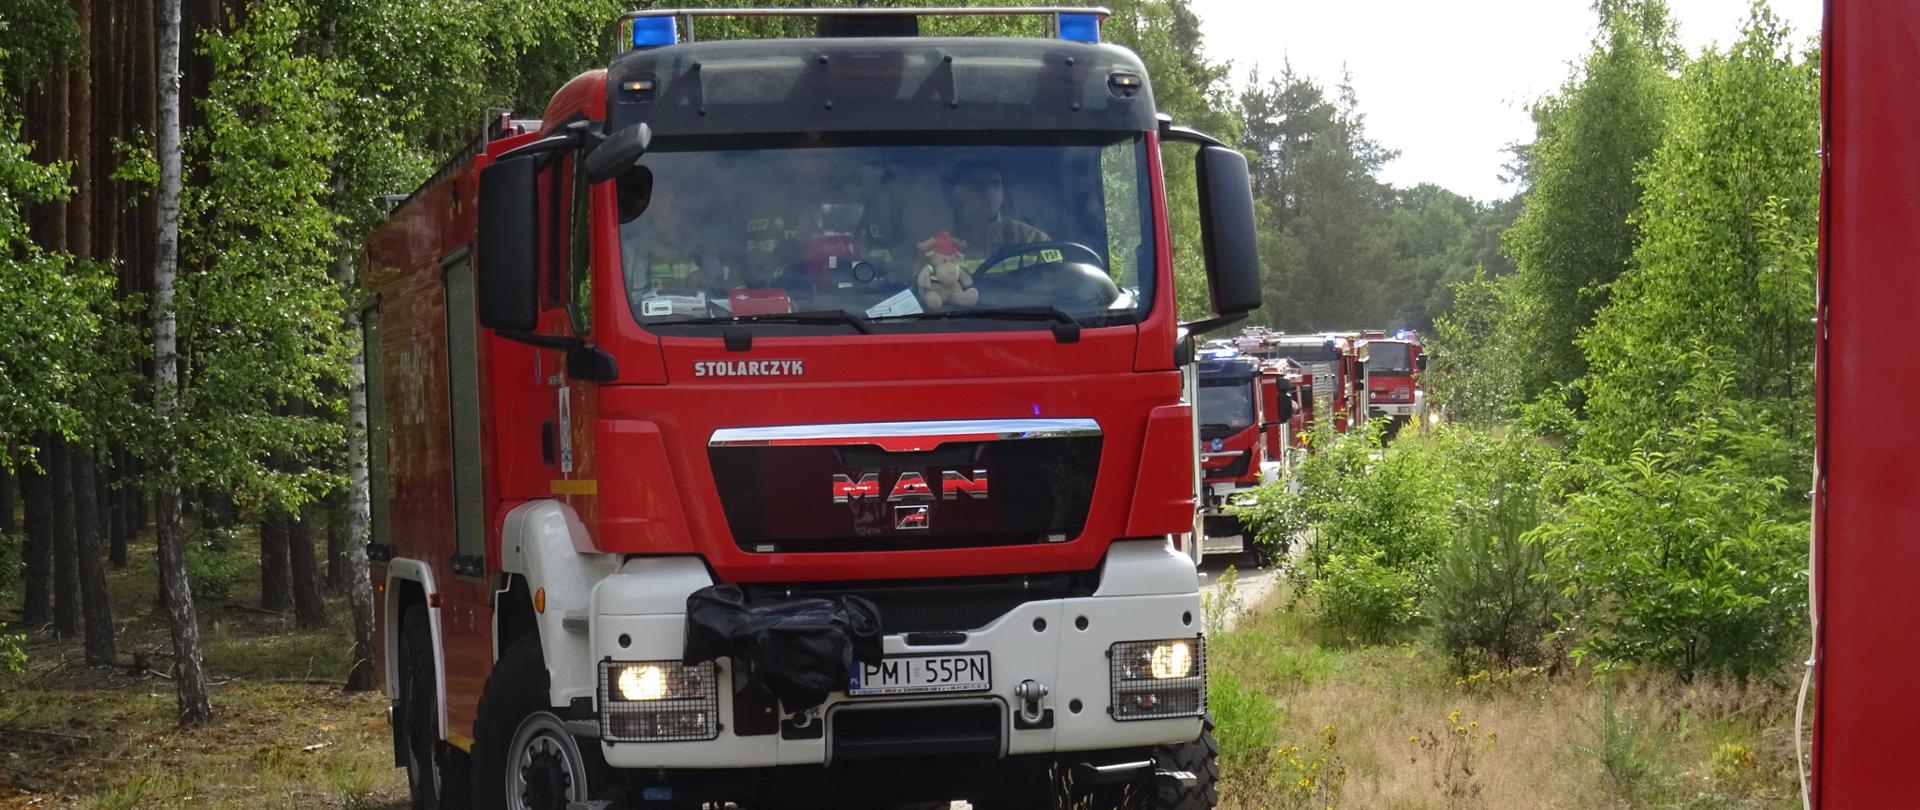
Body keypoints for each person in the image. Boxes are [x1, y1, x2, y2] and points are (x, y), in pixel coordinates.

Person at [944, 159, 1048, 264]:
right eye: (978, 185)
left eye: (995, 184)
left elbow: (1060, 276)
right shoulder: (942, 244)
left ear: (1003, 192)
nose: (989, 192)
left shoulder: (1034, 240)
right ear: (958, 192)